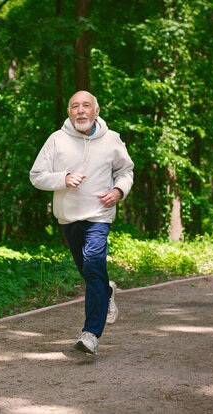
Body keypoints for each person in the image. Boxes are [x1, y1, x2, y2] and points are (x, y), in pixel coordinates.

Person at [29, 90, 134, 355]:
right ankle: (106, 291)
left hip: (99, 215)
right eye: (75, 106)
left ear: (96, 111)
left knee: (94, 263)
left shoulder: (111, 140)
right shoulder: (56, 140)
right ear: (69, 112)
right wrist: (63, 178)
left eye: (86, 105)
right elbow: (37, 175)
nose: (81, 110)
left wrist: (119, 191)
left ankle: (90, 334)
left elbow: (125, 171)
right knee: (91, 272)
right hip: (68, 216)